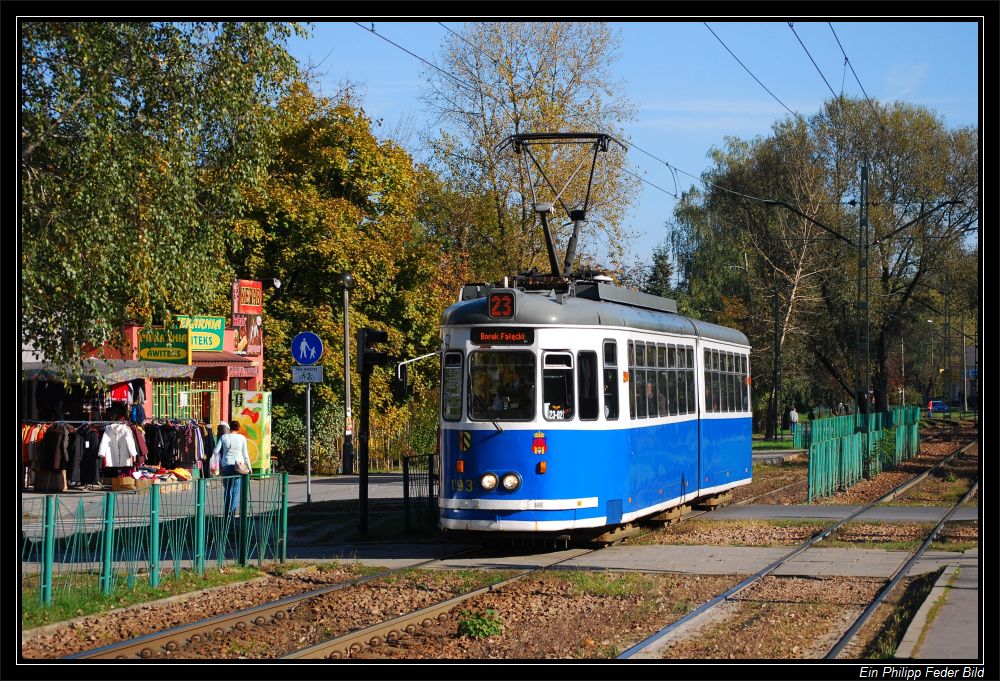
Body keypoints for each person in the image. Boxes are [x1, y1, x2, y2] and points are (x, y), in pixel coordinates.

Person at [214, 420, 252, 517]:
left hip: (226, 465)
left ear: (229, 428)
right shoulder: (242, 438)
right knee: (236, 489)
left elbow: (215, 451)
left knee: (227, 490)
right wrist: (249, 467)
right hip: (238, 466)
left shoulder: (224, 437)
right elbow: (245, 454)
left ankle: (226, 513)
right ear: (238, 428)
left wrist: (217, 462)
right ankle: (232, 512)